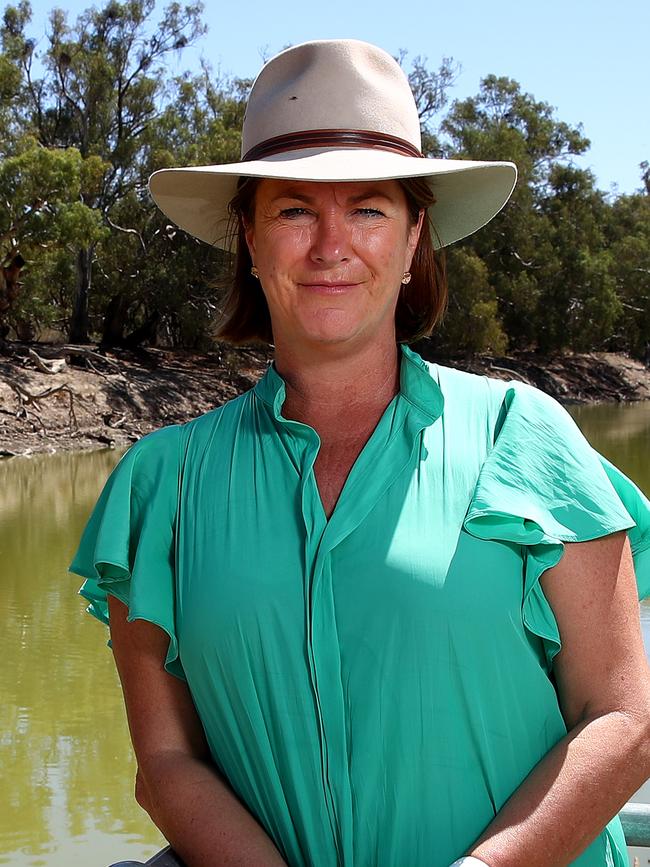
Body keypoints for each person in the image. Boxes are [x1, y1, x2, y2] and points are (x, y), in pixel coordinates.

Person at [70, 39, 650, 867]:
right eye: (296, 209)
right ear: (250, 236)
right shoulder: (161, 485)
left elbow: (623, 719)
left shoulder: (524, 434)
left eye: (370, 209)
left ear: (415, 238)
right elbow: (167, 763)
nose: (331, 245)